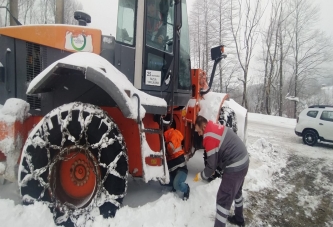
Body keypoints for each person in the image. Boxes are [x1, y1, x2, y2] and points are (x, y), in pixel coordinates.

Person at [193, 115, 249, 227]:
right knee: (237, 192)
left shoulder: (208, 137)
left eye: (198, 131)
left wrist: (200, 176)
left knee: (223, 199)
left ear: (203, 126)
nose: (199, 134)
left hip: (235, 166)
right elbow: (219, 151)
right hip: (244, 161)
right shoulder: (213, 127)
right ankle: (239, 219)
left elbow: (210, 167)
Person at [164, 127, 190, 201]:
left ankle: (186, 188)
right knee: (163, 182)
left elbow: (171, 147)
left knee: (177, 184)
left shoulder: (172, 134)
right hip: (173, 171)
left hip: (181, 169)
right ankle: (174, 184)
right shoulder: (165, 138)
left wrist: (167, 146)